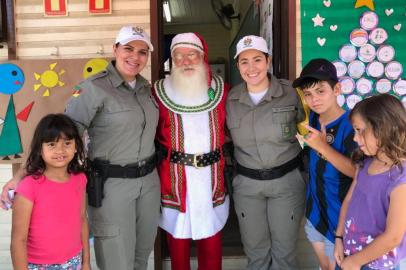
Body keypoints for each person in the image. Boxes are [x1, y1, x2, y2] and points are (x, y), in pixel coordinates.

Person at [3, 25, 160, 270]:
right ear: (115, 49)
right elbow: (61, 135)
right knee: (118, 260)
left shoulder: (145, 89)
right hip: (112, 185)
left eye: (142, 52)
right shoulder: (93, 88)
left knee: (142, 255)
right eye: (128, 49)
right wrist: (22, 173)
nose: (135, 57)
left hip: (149, 181)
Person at [226, 35, 306, 270]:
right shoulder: (230, 99)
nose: (252, 68)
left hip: (286, 183)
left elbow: (311, 130)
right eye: (244, 61)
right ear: (238, 65)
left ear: (268, 61)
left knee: (285, 253)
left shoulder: (292, 93)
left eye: (257, 59)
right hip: (247, 186)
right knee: (256, 253)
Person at [154, 32, 229, 270]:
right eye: (179, 56)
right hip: (175, 179)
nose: (185, 61)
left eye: (191, 55)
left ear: (203, 57)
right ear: (172, 61)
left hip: (211, 176)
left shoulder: (222, 90)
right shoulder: (157, 92)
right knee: (178, 239)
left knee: (211, 239)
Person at [292, 58, 357, 270]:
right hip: (315, 213)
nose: (314, 99)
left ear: (337, 89)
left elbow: (358, 173)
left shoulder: (353, 125)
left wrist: (323, 147)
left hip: (340, 218)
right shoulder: (312, 119)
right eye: (308, 94)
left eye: (321, 91)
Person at [334, 94, 406, 270]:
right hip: (348, 255)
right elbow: (349, 201)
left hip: (375, 265)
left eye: (359, 130)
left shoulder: (401, 178)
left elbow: (393, 236)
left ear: (382, 129)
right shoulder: (365, 163)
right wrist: (338, 238)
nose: (355, 138)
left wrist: (355, 262)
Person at [11, 114, 90, 270]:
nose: (60, 150)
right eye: (52, 144)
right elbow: (18, 240)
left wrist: (86, 262)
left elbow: (82, 219)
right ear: (40, 149)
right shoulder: (29, 186)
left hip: (74, 262)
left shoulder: (80, 179)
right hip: (37, 265)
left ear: (76, 146)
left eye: (67, 143)